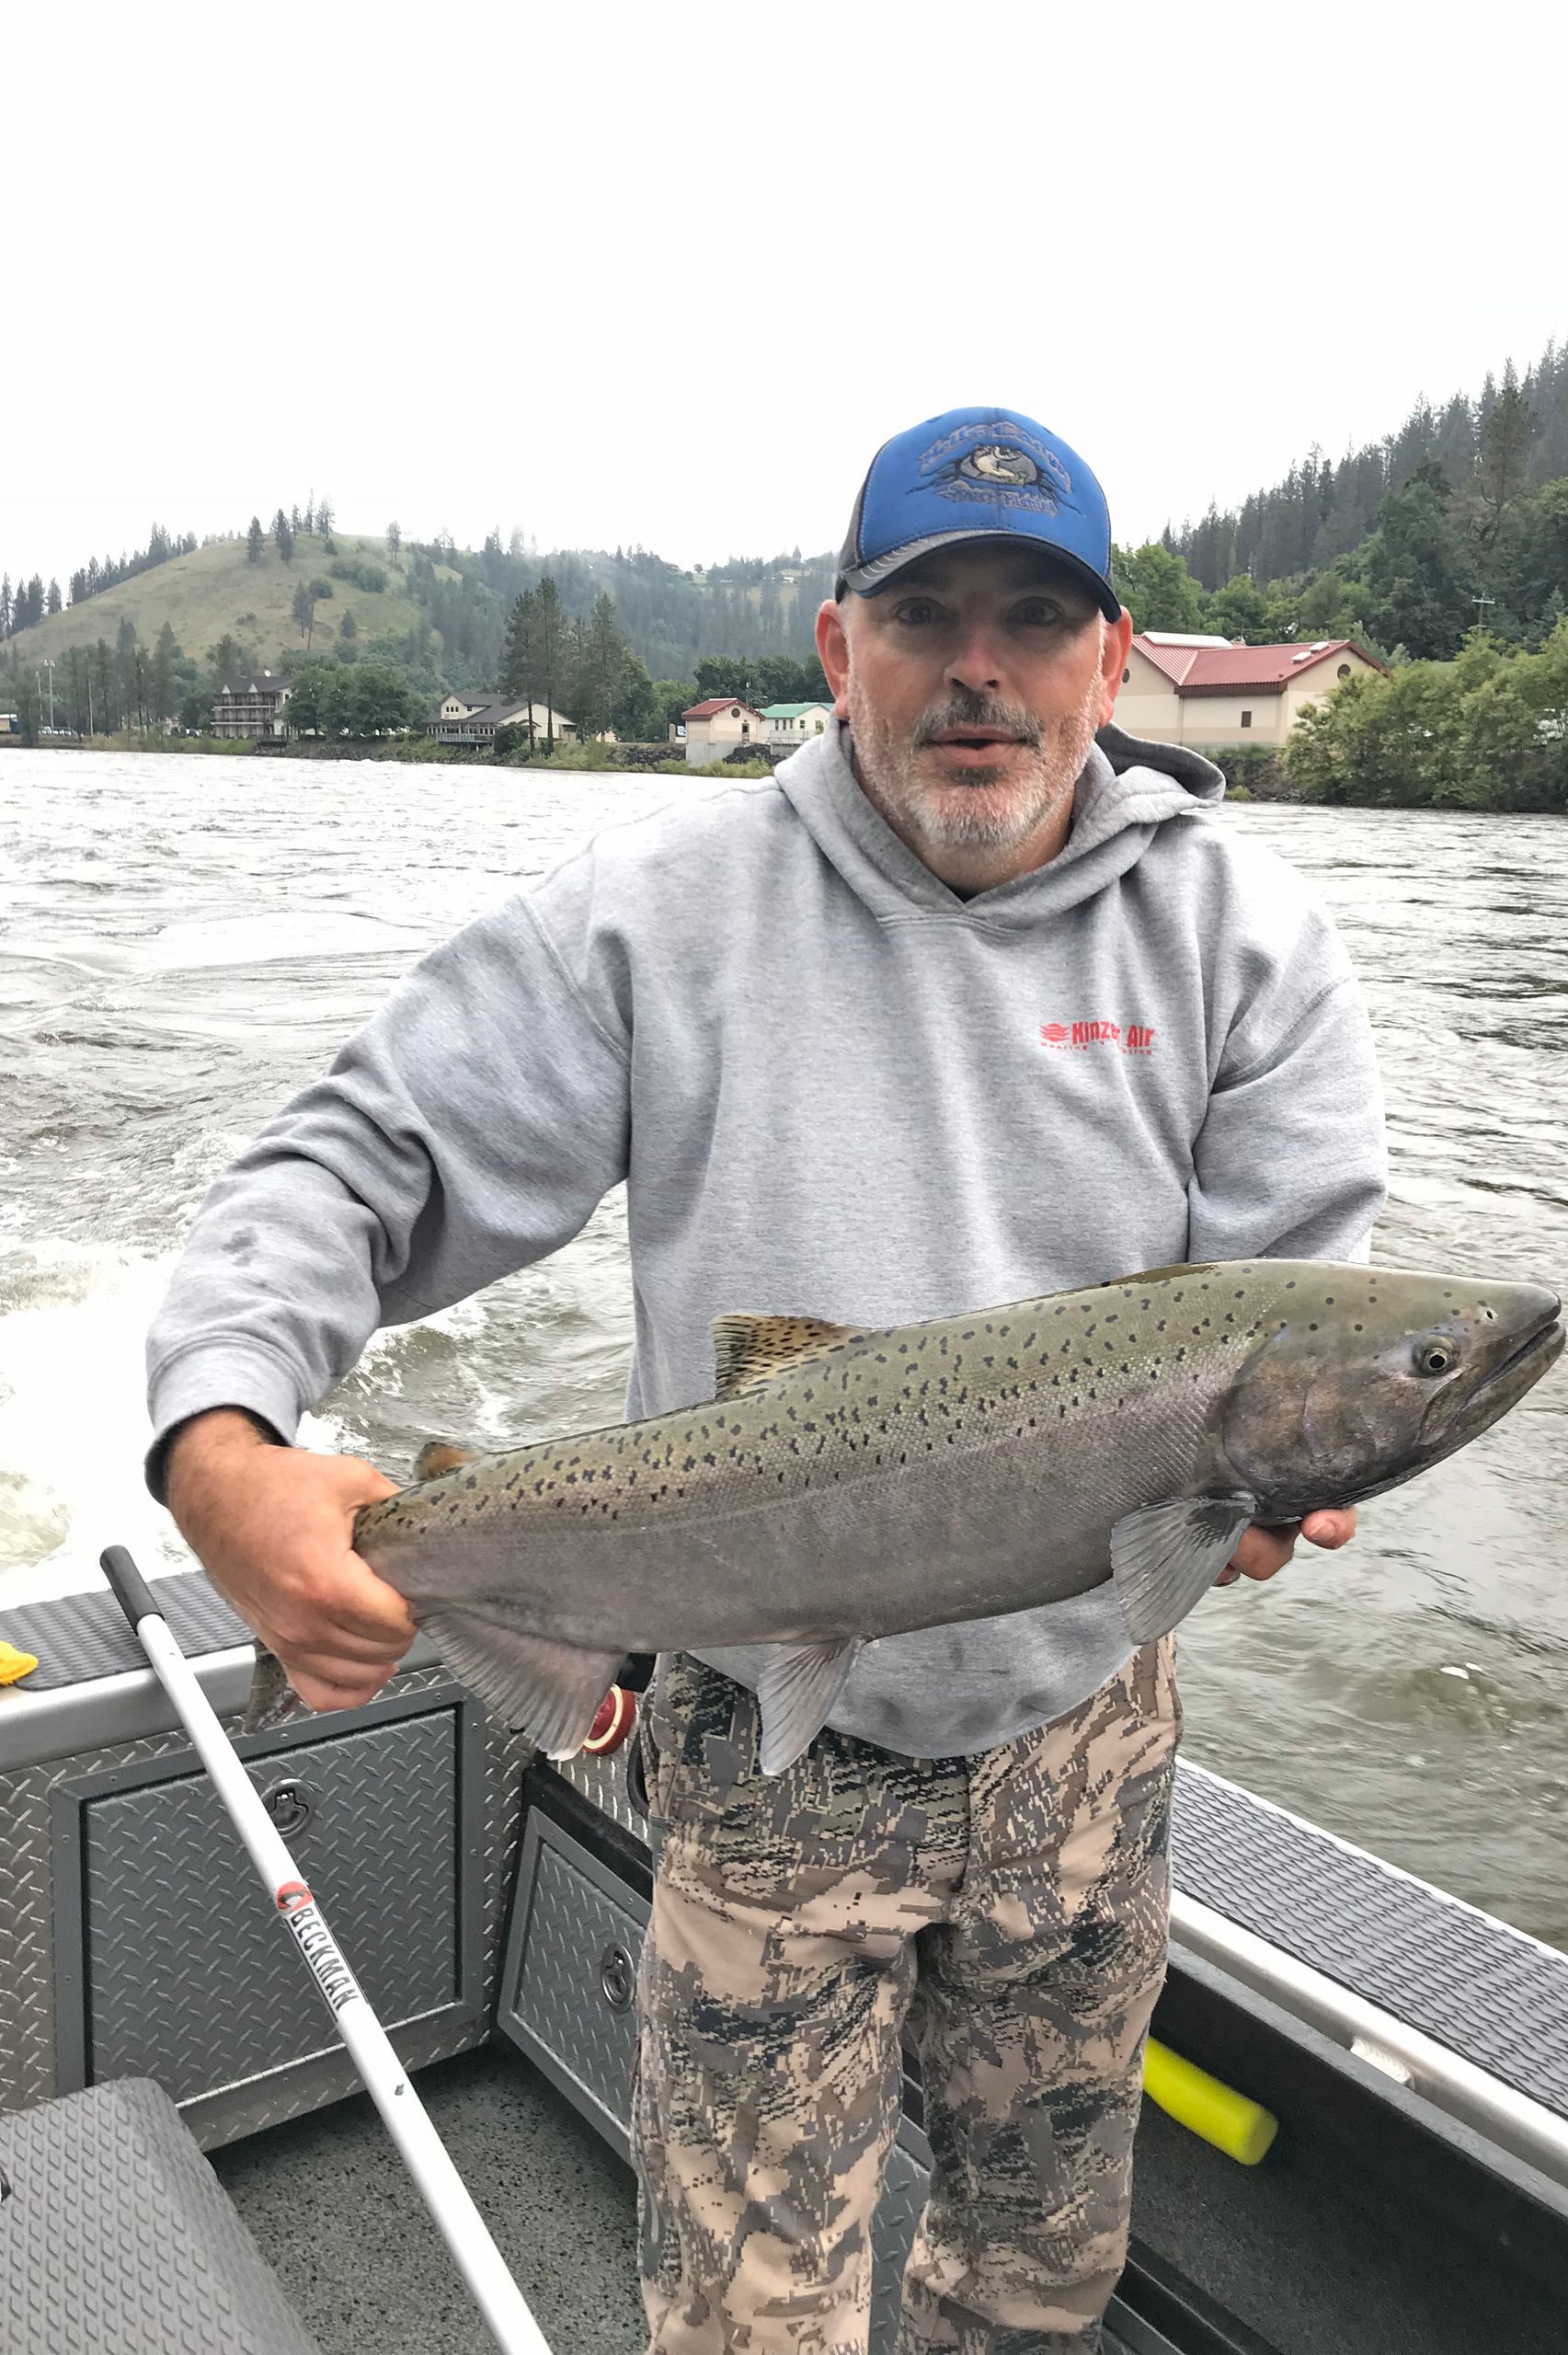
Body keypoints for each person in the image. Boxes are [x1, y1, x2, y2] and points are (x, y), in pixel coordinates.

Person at [149, 405, 1387, 2351]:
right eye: (923, 614)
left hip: (1085, 1734)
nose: (978, 668)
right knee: (742, 2321)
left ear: (1110, 658)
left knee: (1042, 2273)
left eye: (1033, 618)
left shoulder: (1244, 939)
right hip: (756, 1743)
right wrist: (219, 1439)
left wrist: (1267, 1504)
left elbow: (1305, 1318)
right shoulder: (660, 913)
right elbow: (356, 1161)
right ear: (836, 645)